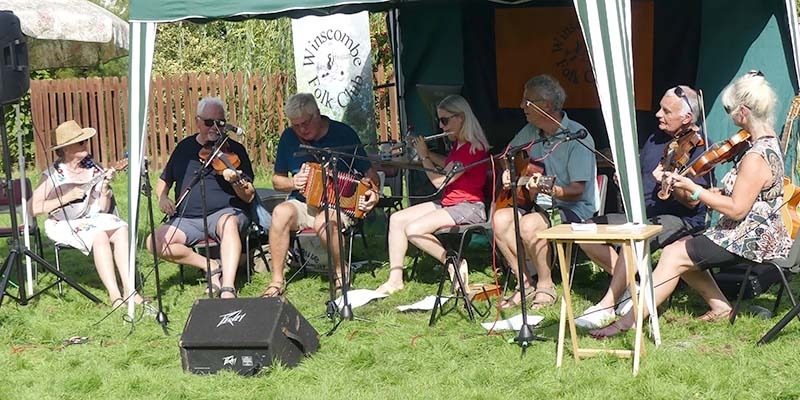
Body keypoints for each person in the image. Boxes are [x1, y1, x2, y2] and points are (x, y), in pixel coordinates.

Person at [590, 71, 793, 338]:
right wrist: (711, 190)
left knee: (674, 254)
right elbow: (748, 194)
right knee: (682, 251)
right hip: (756, 232)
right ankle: (720, 307)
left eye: (730, 111)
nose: (729, 117)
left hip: (747, 238)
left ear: (743, 112)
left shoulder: (756, 156)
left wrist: (696, 190)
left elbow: (737, 209)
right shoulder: (769, 143)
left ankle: (627, 321)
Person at [574, 86, 711, 329]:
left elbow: (692, 201)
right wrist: (624, 179)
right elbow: (640, 174)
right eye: (660, 108)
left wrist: (669, 180)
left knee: (635, 235)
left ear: (687, 118)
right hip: (642, 214)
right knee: (584, 231)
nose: (658, 114)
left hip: (680, 219)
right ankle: (632, 288)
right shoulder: (655, 138)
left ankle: (607, 304)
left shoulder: (701, 147)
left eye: (666, 111)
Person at [494, 74, 597, 310]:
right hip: (538, 203)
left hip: (571, 207)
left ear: (547, 106)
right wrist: (508, 170)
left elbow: (577, 191)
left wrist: (548, 188)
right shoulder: (531, 131)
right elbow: (506, 154)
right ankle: (524, 283)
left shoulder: (576, 136)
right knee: (499, 219)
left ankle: (546, 284)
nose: (521, 106)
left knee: (529, 224)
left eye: (527, 101)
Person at [263, 93, 380, 297]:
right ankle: (277, 280)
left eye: (306, 123)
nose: (301, 129)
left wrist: (374, 193)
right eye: (296, 125)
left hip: (340, 204)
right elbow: (276, 180)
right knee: (280, 213)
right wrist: (293, 182)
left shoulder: (343, 133)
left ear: (317, 113)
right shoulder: (289, 137)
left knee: (323, 223)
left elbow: (370, 175)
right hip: (303, 202)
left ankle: (340, 272)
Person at [374, 95, 490, 295]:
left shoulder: (473, 147)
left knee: (414, 230)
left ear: (461, 118)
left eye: (445, 120)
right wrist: (424, 151)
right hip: (450, 203)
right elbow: (448, 164)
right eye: (439, 121)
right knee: (397, 219)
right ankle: (395, 280)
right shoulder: (459, 144)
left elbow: (439, 181)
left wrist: (425, 156)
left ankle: (454, 263)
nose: (442, 126)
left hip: (469, 206)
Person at [147, 97, 255, 299]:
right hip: (186, 218)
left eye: (220, 123)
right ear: (197, 122)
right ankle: (210, 265)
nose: (214, 128)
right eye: (208, 123)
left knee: (230, 223)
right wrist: (162, 197)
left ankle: (228, 287)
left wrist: (235, 182)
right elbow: (164, 180)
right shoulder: (184, 148)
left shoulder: (235, 150)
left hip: (224, 213)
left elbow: (248, 196)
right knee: (155, 241)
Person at [31, 120, 143, 308]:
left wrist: (105, 187)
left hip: (91, 218)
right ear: (66, 148)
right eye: (81, 142)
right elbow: (33, 208)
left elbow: (102, 208)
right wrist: (65, 198)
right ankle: (115, 296)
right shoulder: (52, 175)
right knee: (99, 236)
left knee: (122, 229)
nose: (86, 145)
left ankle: (130, 290)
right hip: (63, 223)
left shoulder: (94, 169)